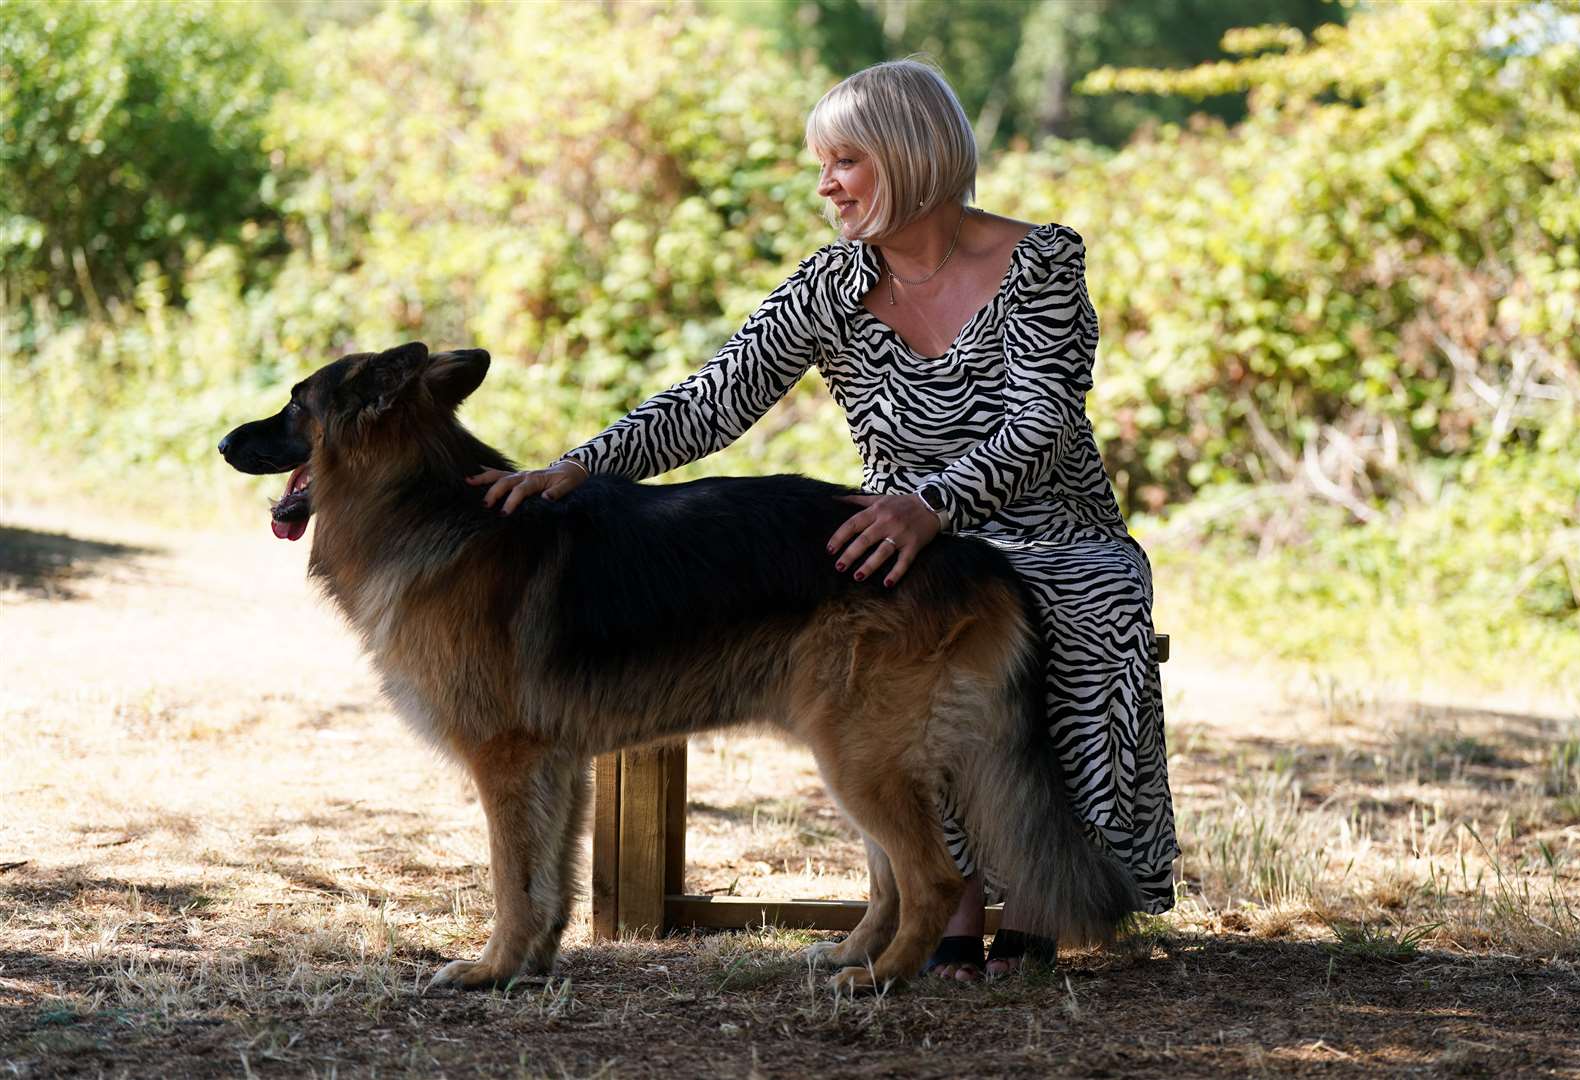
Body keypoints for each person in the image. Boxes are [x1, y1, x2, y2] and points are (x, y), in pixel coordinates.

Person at [469, 58, 1178, 981]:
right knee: (894, 622)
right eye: (822, 162)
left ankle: (1041, 911)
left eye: (846, 160)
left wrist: (935, 503)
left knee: (1085, 608)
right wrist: (584, 465)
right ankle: (950, 907)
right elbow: (715, 399)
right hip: (893, 529)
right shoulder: (829, 285)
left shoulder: (1041, 260)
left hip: (1049, 525)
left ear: (913, 155)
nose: (826, 183)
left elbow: (1043, 420)